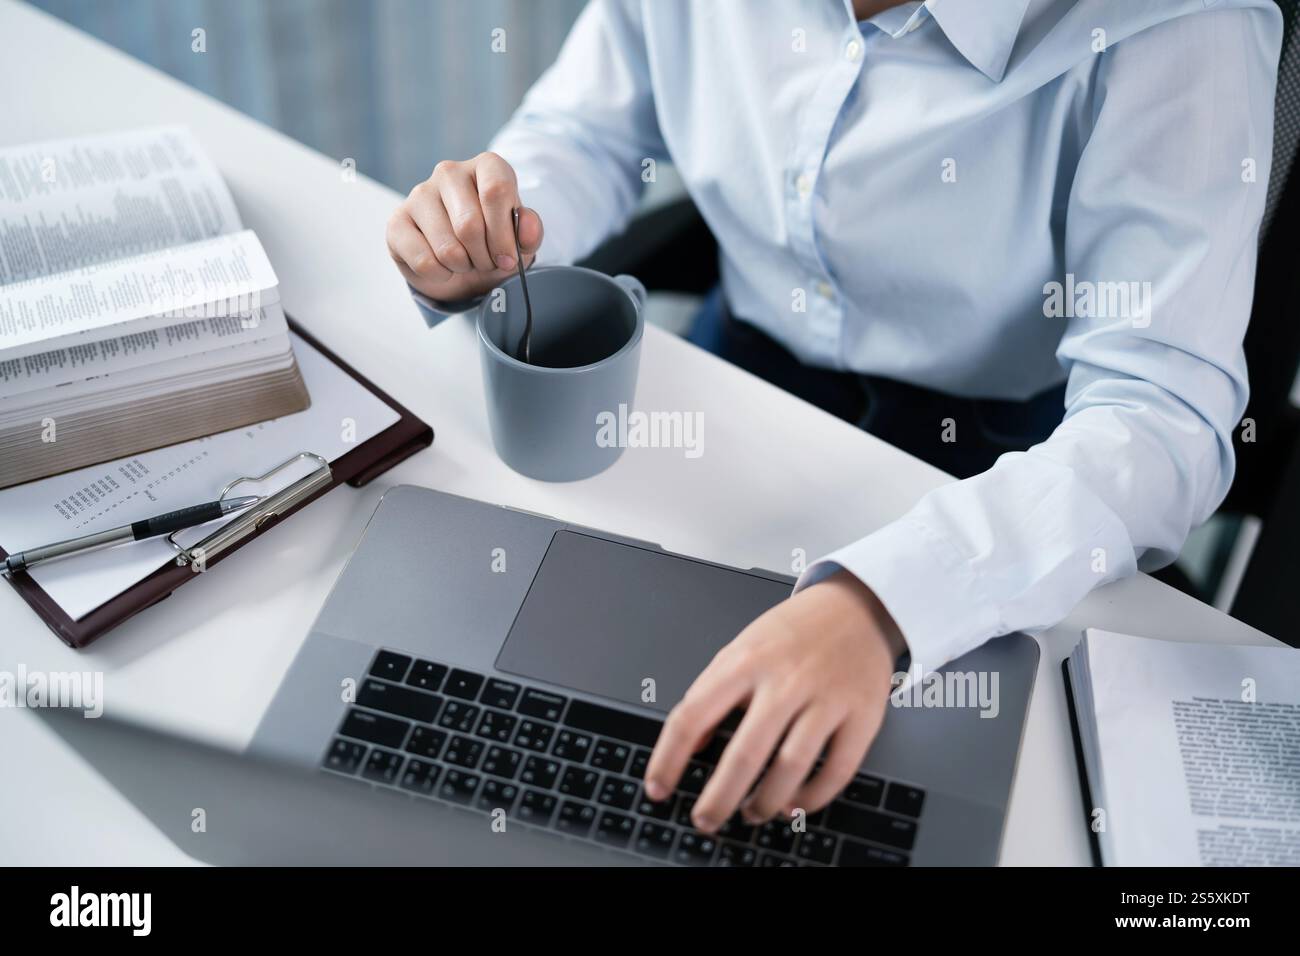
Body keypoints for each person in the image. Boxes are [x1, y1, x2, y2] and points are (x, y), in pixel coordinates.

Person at [386, 0, 1282, 836]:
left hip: (1004, 468)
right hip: (745, 382)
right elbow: (590, 134)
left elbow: (1161, 418)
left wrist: (882, 602)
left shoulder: (1180, 31)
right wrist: (489, 232)